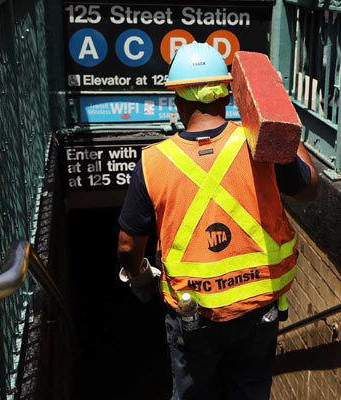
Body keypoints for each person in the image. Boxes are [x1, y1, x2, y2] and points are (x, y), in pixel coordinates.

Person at [117, 42, 318, 400]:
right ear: (226, 96)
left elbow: (129, 245)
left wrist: (139, 276)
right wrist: (283, 123)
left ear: (177, 101)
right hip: (260, 308)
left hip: (194, 317)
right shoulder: (261, 144)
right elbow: (308, 188)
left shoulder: (153, 163)